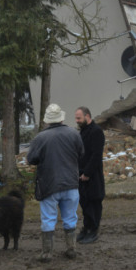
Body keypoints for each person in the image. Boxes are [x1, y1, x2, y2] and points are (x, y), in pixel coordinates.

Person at [26, 103, 84, 261]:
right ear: (61, 118)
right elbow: (81, 154)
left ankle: (47, 253)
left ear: (47, 120)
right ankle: (71, 249)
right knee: (70, 217)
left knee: (48, 219)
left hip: (49, 185)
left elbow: (31, 159)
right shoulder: (74, 134)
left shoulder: (40, 138)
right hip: (71, 182)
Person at [74, 106, 106, 244]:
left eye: (79, 118)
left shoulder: (96, 132)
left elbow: (96, 155)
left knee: (94, 202)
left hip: (92, 176)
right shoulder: (83, 132)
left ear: (87, 116)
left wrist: (87, 173)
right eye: (76, 118)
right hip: (81, 174)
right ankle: (87, 228)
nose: (77, 121)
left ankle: (93, 230)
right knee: (85, 202)